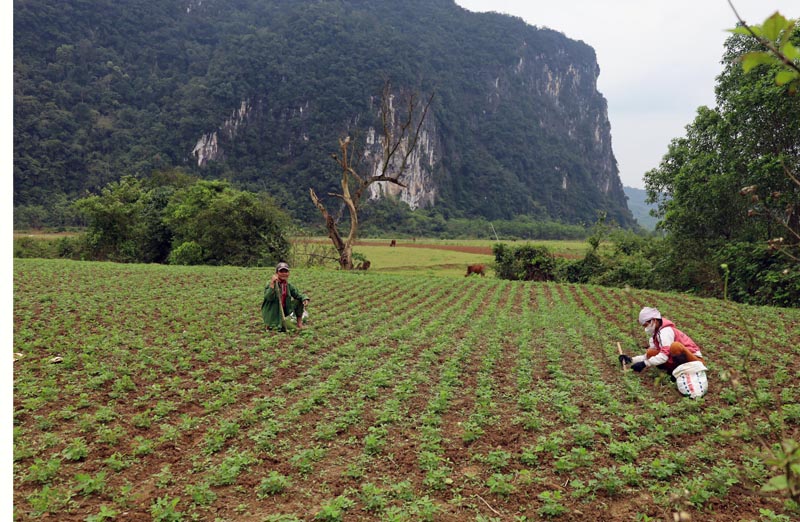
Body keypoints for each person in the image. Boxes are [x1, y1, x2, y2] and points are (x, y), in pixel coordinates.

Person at [619, 307, 709, 398]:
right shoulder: (655, 335)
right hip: (677, 359)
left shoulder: (665, 332)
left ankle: (678, 371)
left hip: (694, 361)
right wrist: (631, 360)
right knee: (651, 352)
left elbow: (664, 356)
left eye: (646, 325)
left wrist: (644, 364)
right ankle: (674, 371)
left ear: (653, 320)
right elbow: (648, 356)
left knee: (675, 347)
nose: (645, 328)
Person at [261, 262, 309, 331]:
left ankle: (299, 323)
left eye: (286, 271)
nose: (284, 273)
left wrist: (305, 298)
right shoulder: (271, 284)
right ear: (277, 273)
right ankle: (270, 324)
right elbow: (268, 298)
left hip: (284, 311)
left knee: (299, 300)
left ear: (288, 273)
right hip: (274, 313)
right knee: (293, 329)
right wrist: (272, 284)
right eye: (281, 271)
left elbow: (298, 294)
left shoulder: (288, 285)